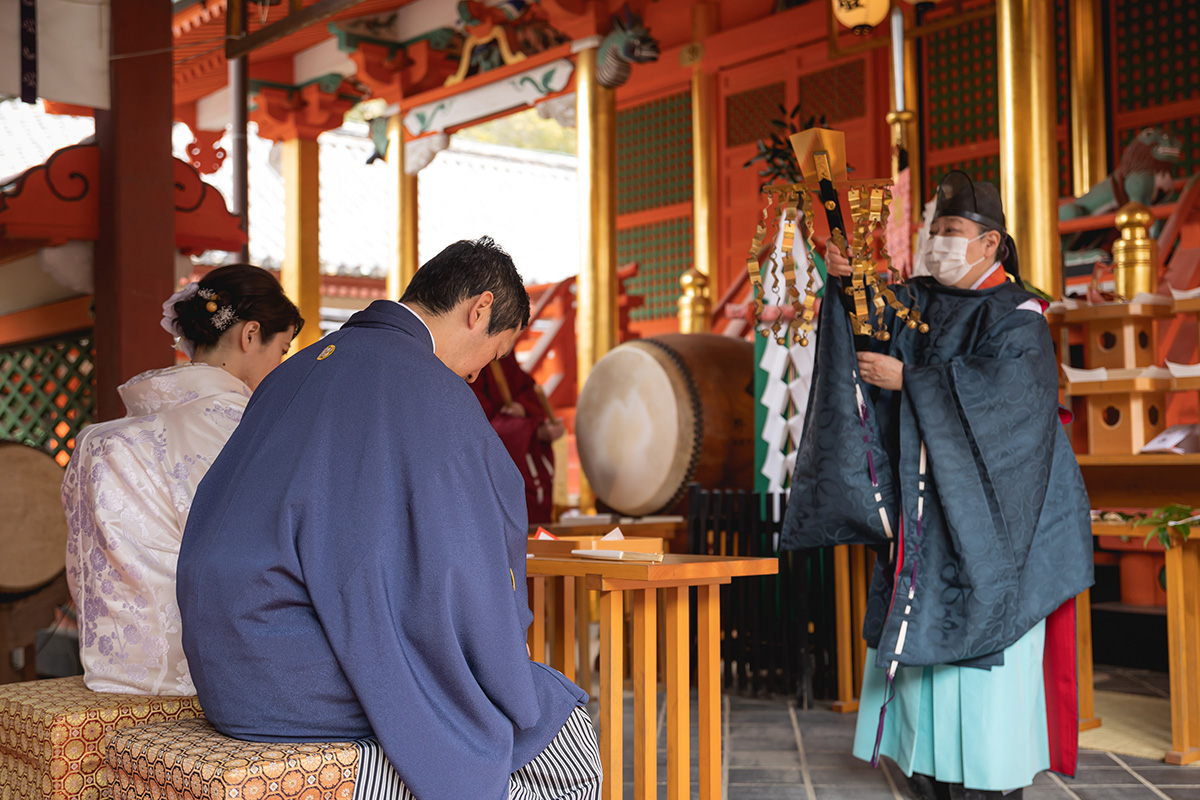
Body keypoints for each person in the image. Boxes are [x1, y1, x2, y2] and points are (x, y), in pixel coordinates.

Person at [177, 237, 601, 800]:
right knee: (555, 722)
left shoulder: (297, 369)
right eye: (492, 355)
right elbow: (466, 562)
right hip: (292, 681)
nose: (477, 377)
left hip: (225, 669)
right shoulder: (428, 387)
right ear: (479, 310)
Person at [782, 172, 1093, 800]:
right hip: (931, 521)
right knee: (924, 702)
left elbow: (1010, 404)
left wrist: (915, 382)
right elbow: (868, 329)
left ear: (991, 246)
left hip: (999, 528)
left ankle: (988, 787)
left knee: (983, 692)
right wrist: (844, 280)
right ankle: (927, 782)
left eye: (953, 233)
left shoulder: (1020, 316)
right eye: (935, 231)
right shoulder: (919, 300)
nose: (939, 243)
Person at [62, 264, 303, 695]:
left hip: (110, 671)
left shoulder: (99, 437)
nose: (279, 366)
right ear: (250, 335)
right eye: (281, 351)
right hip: (202, 680)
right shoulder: (237, 430)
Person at [471, 352, 565, 524]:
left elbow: (530, 391)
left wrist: (523, 407)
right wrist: (535, 431)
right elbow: (478, 427)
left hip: (527, 448)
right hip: (492, 465)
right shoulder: (469, 364)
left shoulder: (505, 357)